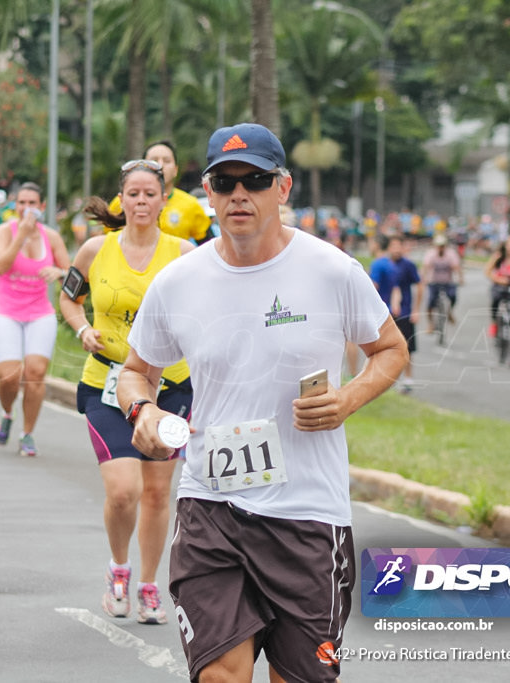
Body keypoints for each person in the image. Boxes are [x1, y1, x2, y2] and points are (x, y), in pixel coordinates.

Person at [117, 123, 408, 682]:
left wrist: (348, 398)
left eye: (255, 179)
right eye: (224, 182)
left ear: (283, 187)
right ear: (207, 190)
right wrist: (143, 410)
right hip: (211, 508)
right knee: (221, 674)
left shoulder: (331, 270)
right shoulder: (178, 282)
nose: (239, 194)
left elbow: (391, 350)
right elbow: (135, 372)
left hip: (308, 516)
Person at [59, 159, 194, 626]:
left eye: (149, 194)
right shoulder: (95, 250)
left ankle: (149, 586)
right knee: (124, 490)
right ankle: (119, 570)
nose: (140, 202)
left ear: (162, 200)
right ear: (122, 200)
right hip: (107, 383)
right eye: (132, 194)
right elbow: (68, 298)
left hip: (169, 386)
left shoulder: (183, 253)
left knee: (158, 494)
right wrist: (81, 329)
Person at [0, 182, 69, 456]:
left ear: (42, 207)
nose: (27, 208)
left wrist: (59, 273)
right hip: (6, 312)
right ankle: (7, 413)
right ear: (15, 205)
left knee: (35, 373)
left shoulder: (52, 237)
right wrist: (20, 236)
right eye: (22, 203)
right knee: (9, 376)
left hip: (39, 313)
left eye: (32, 203)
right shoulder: (4, 231)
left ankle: (28, 433)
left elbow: (73, 274)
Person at [108, 140, 213, 244]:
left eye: (167, 161)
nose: (160, 165)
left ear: (176, 170)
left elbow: (208, 247)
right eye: (153, 161)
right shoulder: (121, 203)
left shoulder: (191, 205)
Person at [386, 234, 422, 393]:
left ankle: (408, 379)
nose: (396, 249)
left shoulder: (408, 265)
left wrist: (416, 309)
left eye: (398, 246)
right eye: (392, 246)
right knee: (387, 347)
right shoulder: (384, 264)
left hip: (405, 311)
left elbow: (420, 285)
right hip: (387, 314)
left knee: (407, 346)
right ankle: (388, 379)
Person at [422, 233, 463, 334]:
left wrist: (460, 278)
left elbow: (456, 267)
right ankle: (431, 324)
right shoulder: (431, 254)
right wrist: (424, 278)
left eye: (443, 246)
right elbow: (426, 267)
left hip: (448, 281)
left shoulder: (451, 254)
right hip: (434, 281)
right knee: (430, 302)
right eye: (439, 246)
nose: (441, 248)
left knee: (453, 297)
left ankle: (449, 312)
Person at [485, 235, 510, 338]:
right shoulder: (498, 256)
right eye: (509, 244)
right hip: (499, 286)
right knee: (495, 303)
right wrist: (499, 280)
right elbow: (487, 272)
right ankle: (494, 323)